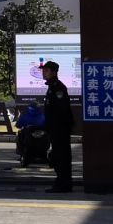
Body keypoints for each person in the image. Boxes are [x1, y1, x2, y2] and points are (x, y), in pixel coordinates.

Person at [40, 60, 74, 192]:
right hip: (55, 128)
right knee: (57, 156)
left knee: (61, 156)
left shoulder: (58, 87)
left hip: (60, 128)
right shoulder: (52, 87)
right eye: (43, 71)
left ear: (54, 72)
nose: (44, 73)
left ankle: (63, 184)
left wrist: (55, 127)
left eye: (47, 71)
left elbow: (61, 110)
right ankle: (61, 182)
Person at [15, 100, 48, 166]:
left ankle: (22, 152)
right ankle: (22, 152)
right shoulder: (42, 115)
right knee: (20, 134)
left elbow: (18, 124)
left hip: (38, 136)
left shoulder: (41, 115)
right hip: (31, 135)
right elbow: (18, 124)